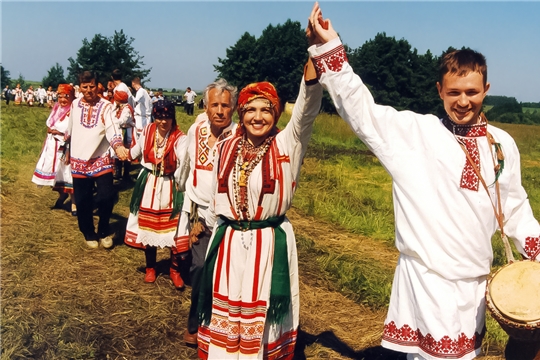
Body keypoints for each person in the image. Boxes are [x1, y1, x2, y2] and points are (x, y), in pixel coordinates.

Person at [307, 3, 540, 360]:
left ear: (486, 89)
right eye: (454, 92)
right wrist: (329, 46)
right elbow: (362, 111)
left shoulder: (501, 144)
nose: (463, 102)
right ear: (439, 90)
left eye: (472, 92)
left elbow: (515, 207)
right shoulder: (416, 134)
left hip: (474, 282)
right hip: (425, 278)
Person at [196, 55, 323, 357]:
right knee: (226, 308)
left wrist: (314, 65)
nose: (257, 116)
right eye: (250, 109)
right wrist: (204, 224)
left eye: (265, 110)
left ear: (276, 114)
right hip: (227, 242)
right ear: (241, 112)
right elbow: (216, 194)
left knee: (262, 312)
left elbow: (306, 112)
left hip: (267, 243)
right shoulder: (226, 146)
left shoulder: (286, 144)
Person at [174, 78, 239, 347]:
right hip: (199, 215)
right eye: (214, 105)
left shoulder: (240, 135)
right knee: (200, 268)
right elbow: (187, 163)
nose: (220, 111)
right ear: (205, 106)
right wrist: (183, 197)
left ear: (234, 107)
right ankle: (195, 325)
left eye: (225, 105)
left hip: (229, 219)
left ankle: (225, 329)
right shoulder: (196, 128)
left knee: (227, 275)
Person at [124, 100, 186, 287]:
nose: (163, 121)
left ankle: (174, 270)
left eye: (167, 117)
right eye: (159, 117)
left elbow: (184, 160)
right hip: (149, 182)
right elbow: (134, 152)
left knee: (174, 228)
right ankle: (151, 267)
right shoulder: (148, 131)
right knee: (148, 227)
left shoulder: (179, 137)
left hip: (169, 185)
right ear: (154, 117)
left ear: (173, 117)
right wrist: (122, 152)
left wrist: (181, 181)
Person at [65, 70, 129, 249]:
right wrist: (65, 150)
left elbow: (112, 127)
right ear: (80, 88)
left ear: (97, 86)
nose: (89, 90)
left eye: (91, 86)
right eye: (85, 87)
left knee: (106, 196)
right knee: (83, 200)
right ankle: (88, 232)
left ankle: (103, 230)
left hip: (101, 159)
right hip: (79, 160)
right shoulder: (75, 105)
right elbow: (70, 130)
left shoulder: (106, 106)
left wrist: (118, 146)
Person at [32, 83, 77, 215]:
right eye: (60, 97)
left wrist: (60, 133)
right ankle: (62, 196)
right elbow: (49, 127)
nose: (62, 100)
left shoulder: (73, 111)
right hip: (52, 146)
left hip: (65, 146)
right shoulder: (56, 108)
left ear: (71, 97)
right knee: (56, 175)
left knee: (67, 173)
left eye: (66, 97)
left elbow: (72, 131)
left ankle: (74, 203)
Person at [131, 77, 152, 142]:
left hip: (142, 118)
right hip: (143, 117)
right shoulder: (143, 91)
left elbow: (135, 101)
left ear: (133, 83)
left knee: (140, 139)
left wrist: (129, 94)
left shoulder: (141, 91)